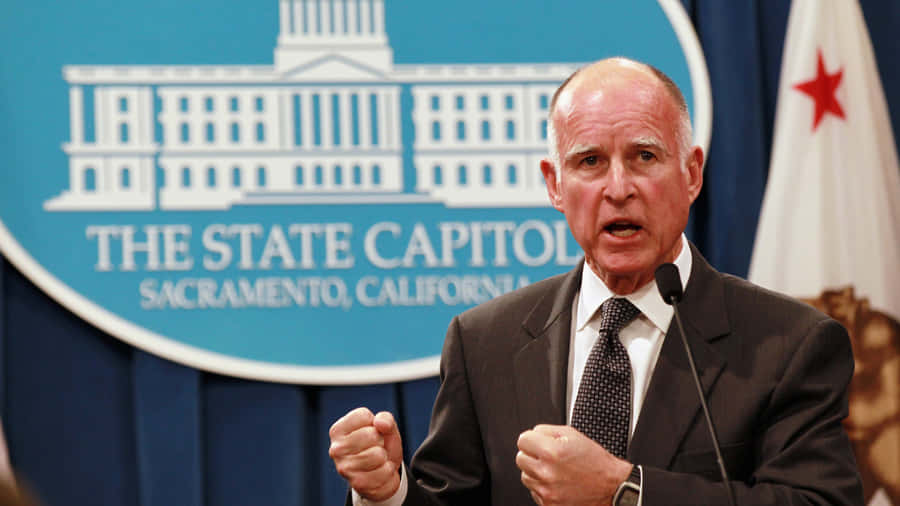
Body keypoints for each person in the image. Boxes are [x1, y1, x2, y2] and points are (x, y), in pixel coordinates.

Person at [328, 57, 864, 505]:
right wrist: (387, 493)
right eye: (589, 161)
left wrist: (625, 490)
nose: (618, 187)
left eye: (644, 156)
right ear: (555, 185)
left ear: (692, 173)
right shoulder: (485, 341)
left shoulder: (789, 344)